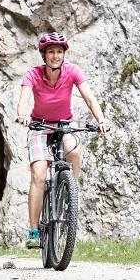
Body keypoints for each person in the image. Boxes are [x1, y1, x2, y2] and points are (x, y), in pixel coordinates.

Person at [16, 32, 109, 249]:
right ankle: (33, 231)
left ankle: (70, 192)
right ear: (44, 55)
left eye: (59, 52)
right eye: (51, 52)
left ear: (64, 54)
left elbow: (89, 97)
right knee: (39, 175)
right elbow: (24, 100)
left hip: (65, 123)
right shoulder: (32, 75)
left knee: (74, 152)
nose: (55, 56)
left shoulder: (73, 71)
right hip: (39, 125)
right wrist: (22, 114)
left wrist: (101, 119)